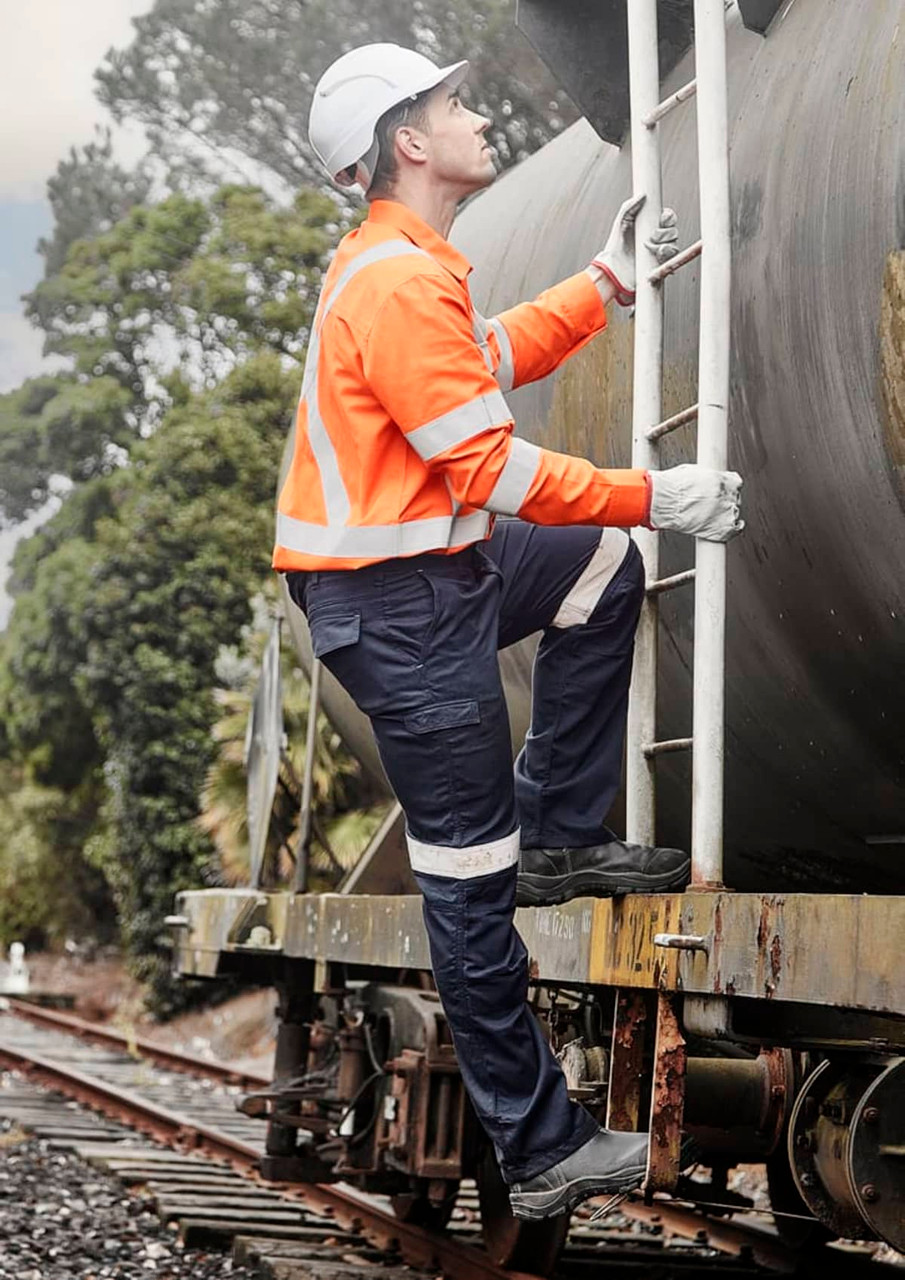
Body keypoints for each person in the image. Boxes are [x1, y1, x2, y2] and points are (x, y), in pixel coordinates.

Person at [274, 44, 743, 1219]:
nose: (475, 116)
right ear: (407, 145)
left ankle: (561, 833)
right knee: (468, 890)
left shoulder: (415, 269)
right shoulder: (388, 279)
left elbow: (486, 360)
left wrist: (605, 281)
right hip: (395, 614)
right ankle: (539, 1149)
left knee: (599, 567)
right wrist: (659, 490)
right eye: (451, 105)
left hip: (436, 575)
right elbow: (485, 461)